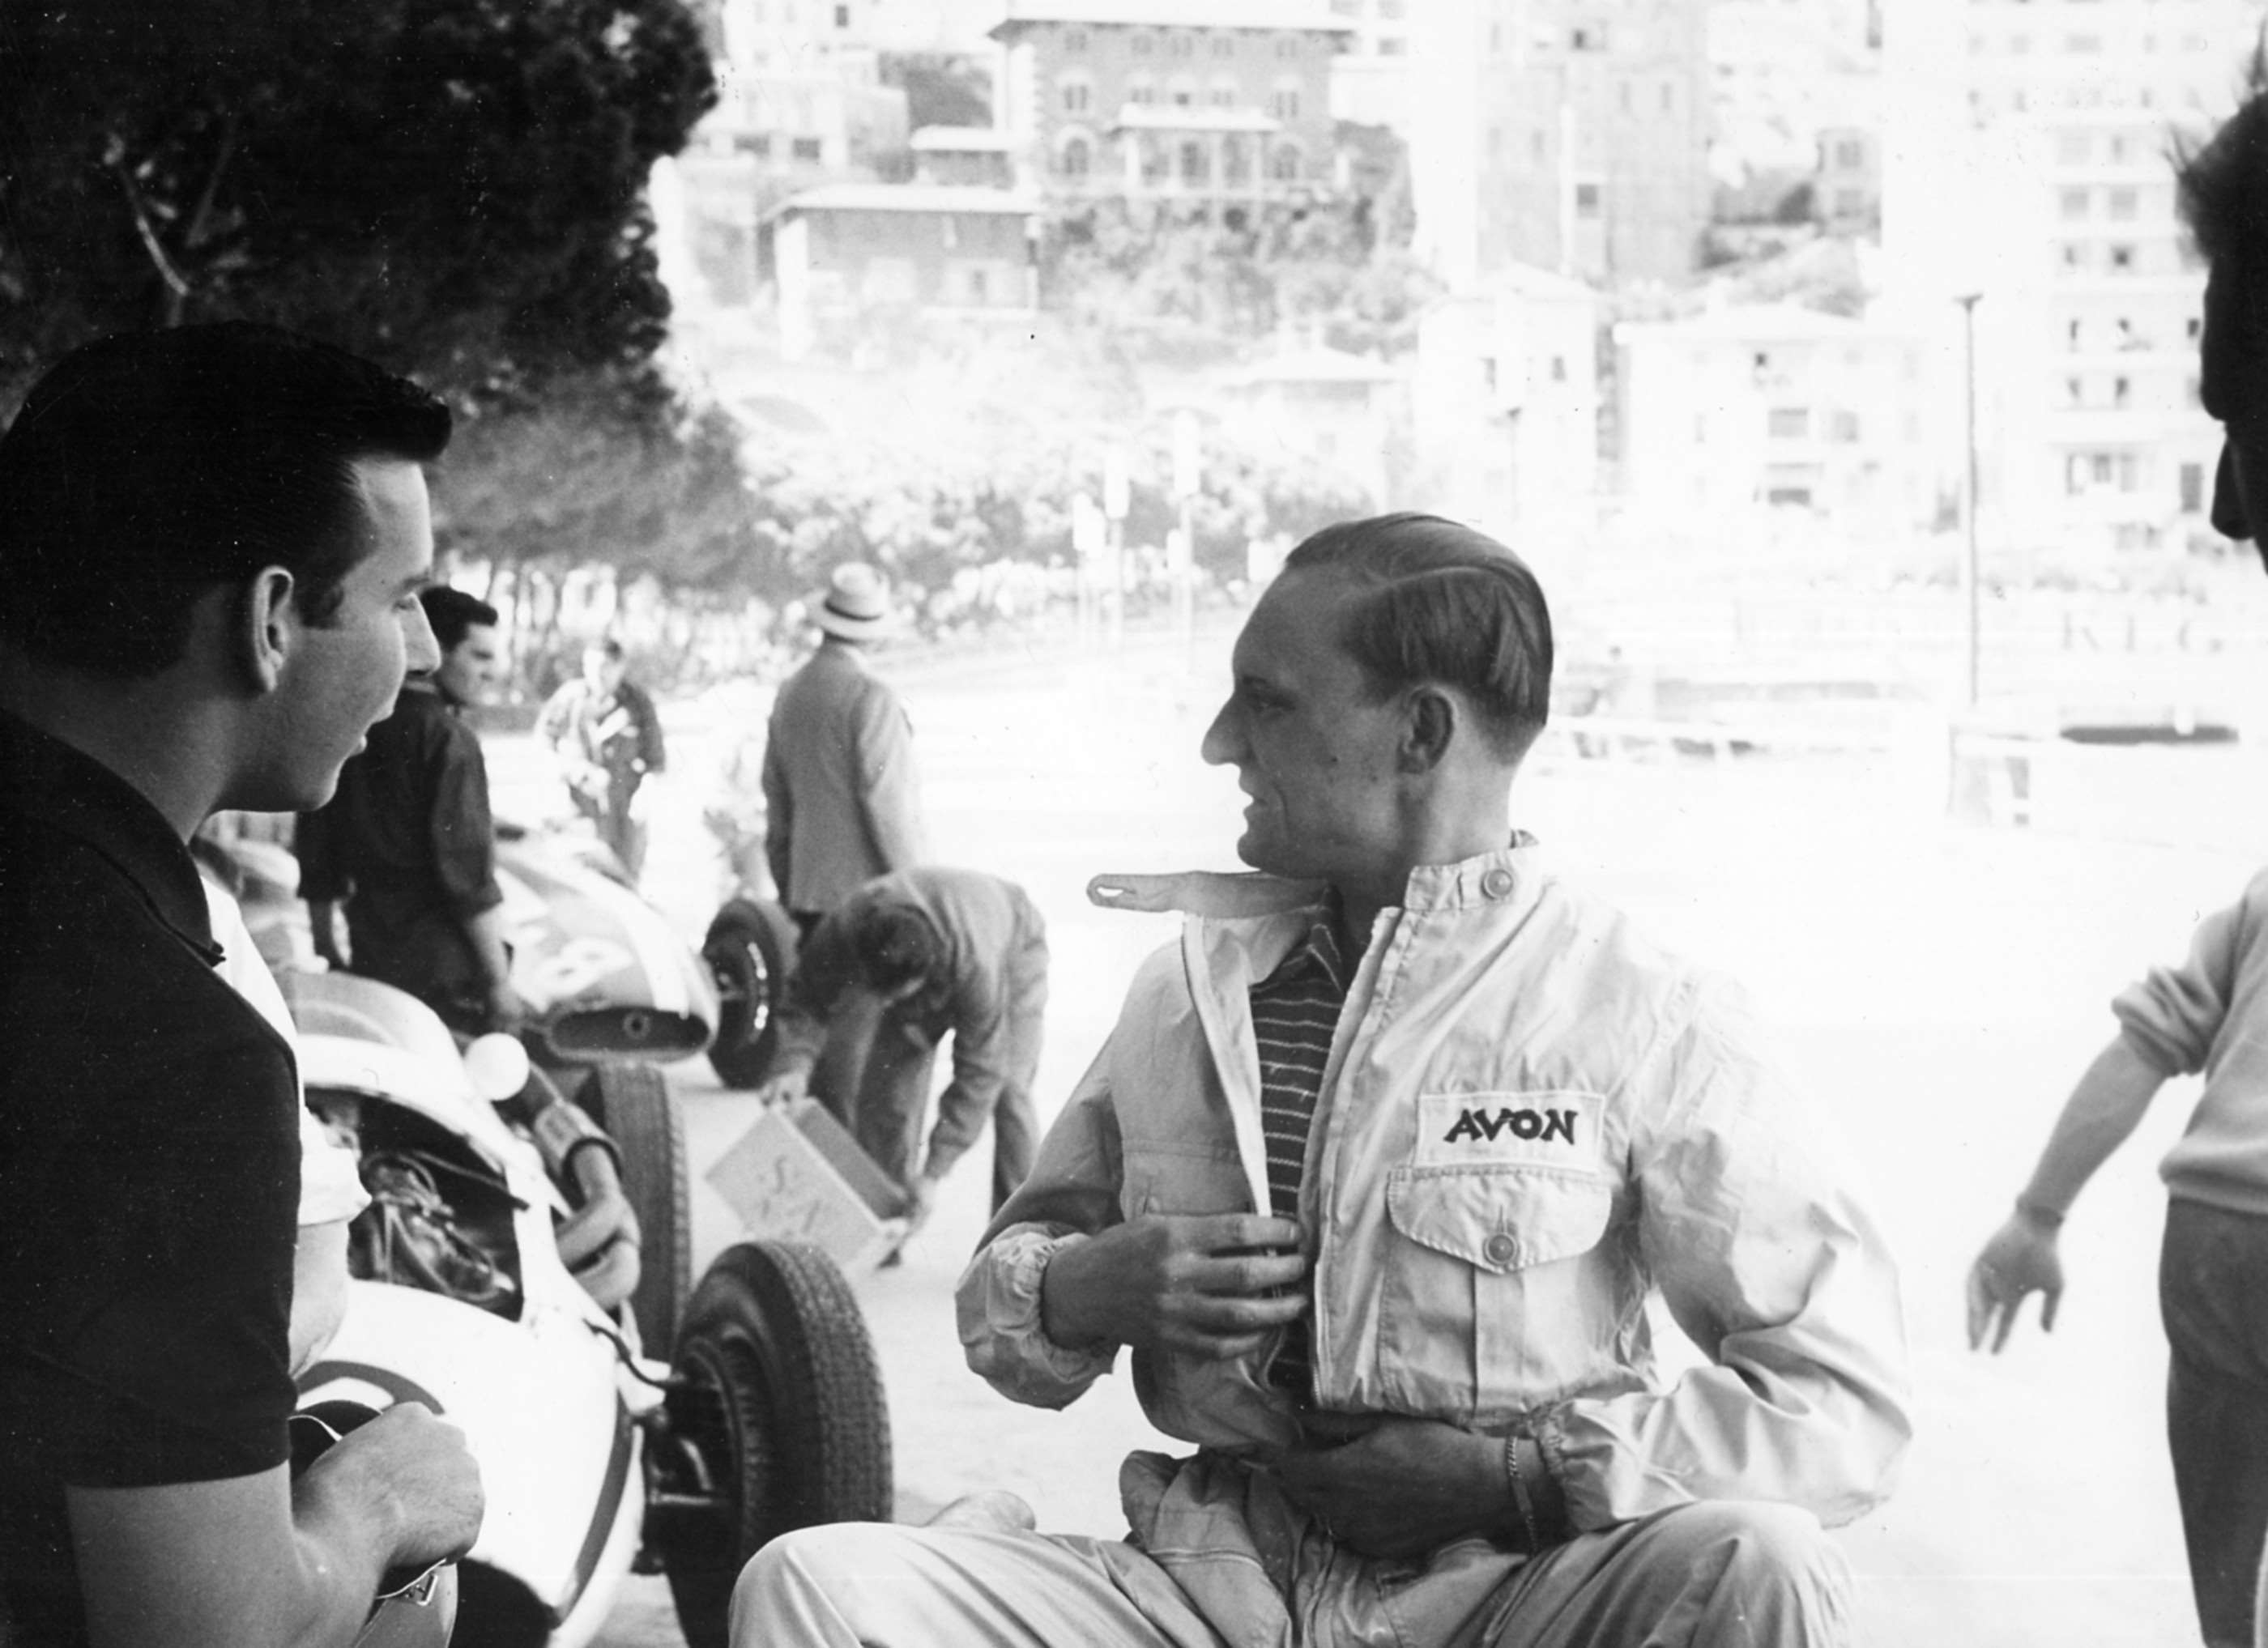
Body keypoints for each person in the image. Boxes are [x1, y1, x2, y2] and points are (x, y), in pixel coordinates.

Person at [735, 513, 1912, 1648]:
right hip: (1207, 1591)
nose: (1220, 742)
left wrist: (1526, 1473)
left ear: (1420, 733)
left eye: (1268, 701)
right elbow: (1000, 1314)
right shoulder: (1185, 991)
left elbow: (1844, 1414)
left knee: (1767, 1563)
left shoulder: (1644, 1010)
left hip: (1517, 1589)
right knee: (815, 1586)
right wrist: (1086, 1287)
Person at [0, 322, 484, 1647]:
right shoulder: (163, 1035)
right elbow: (209, 1631)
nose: (429, 655)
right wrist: (378, 1505)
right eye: (401, 600)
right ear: (272, 622)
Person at [754, 866, 1047, 1224]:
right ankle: (884, 1220)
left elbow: (981, 1072)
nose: (886, 1005)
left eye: (894, 996)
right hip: (944, 930)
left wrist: (934, 1173)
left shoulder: (976, 972)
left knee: (1010, 1088)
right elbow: (806, 997)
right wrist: (793, 1066)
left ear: (925, 975)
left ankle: (1017, 1232)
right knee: (886, 1089)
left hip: (1014, 938)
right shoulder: (848, 924)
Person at [297, 584, 527, 1034]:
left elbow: (316, 850)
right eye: (479, 657)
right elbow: (467, 879)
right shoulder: (447, 739)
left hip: (369, 959)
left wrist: (328, 946)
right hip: (444, 972)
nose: (491, 673)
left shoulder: (348, 724)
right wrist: (499, 983)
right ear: (436, 651)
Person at [762, 563, 926, 939]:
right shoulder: (871, 696)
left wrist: (788, 885)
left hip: (806, 895)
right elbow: (888, 806)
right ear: (872, 634)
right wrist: (917, 891)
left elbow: (776, 801)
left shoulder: (791, 692)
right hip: (869, 900)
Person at [536, 637, 666, 879]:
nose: (597, 674)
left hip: (624, 810)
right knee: (581, 880)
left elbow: (656, 759)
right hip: (579, 806)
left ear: (620, 667)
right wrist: (573, 769)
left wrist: (645, 795)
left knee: (625, 877)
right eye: (590, 667)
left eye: (606, 666)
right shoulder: (569, 699)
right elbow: (545, 742)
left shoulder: (637, 703)